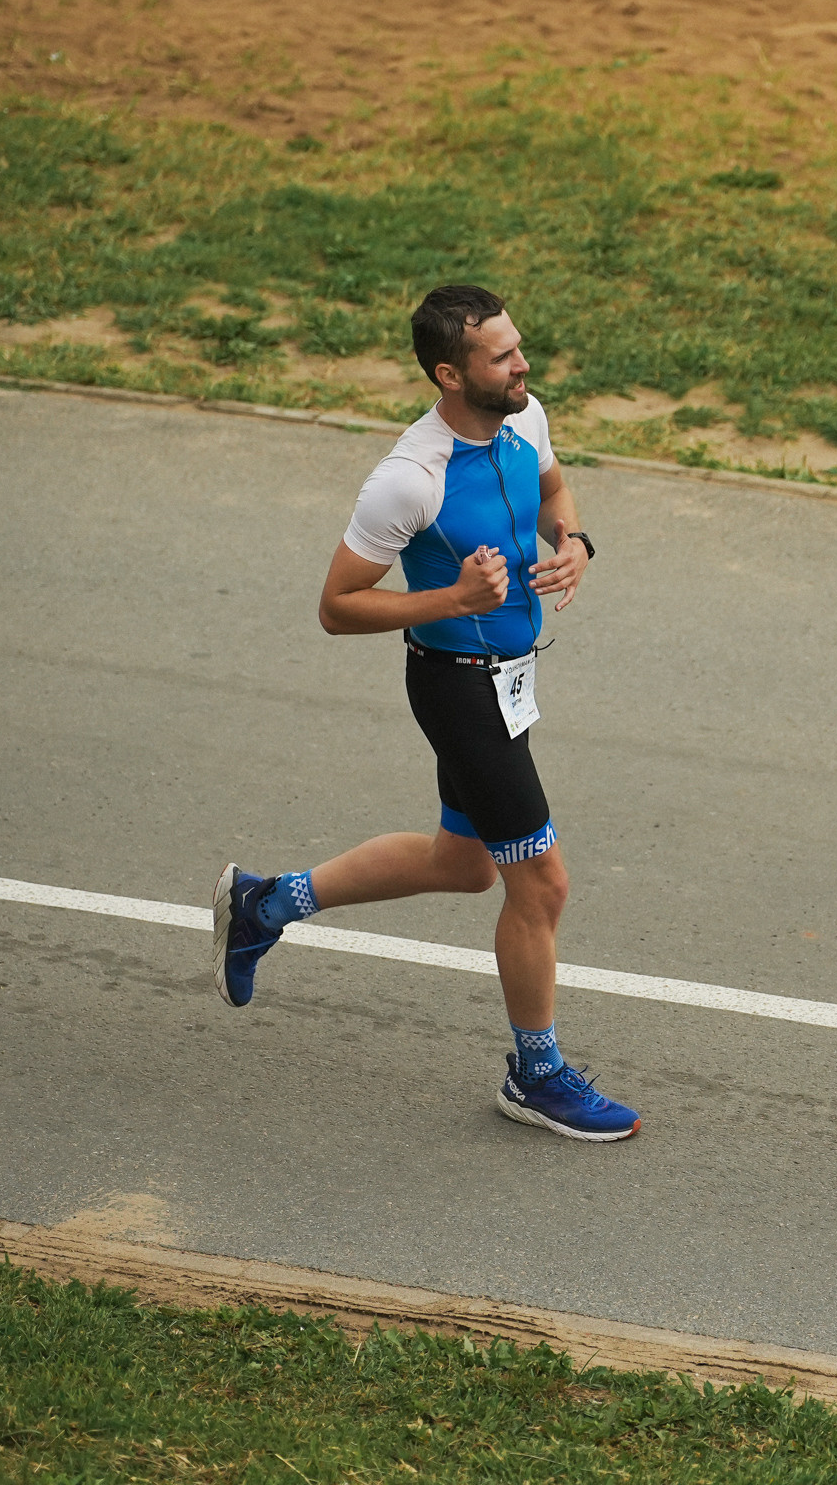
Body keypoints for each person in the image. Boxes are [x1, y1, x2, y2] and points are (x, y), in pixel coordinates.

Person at [207, 284, 639, 1142]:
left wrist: (577, 544)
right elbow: (337, 606)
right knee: (541, 882)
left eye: (519, 347)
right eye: (502, 356)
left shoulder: (526, 415)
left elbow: (556, 492)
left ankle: (265, 904)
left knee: (462, 862)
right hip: (459, 688)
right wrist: (448, 597)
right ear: (449, 373)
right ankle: (536, 1073)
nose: (524, 365)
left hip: (509, 681)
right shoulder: (408, 479)